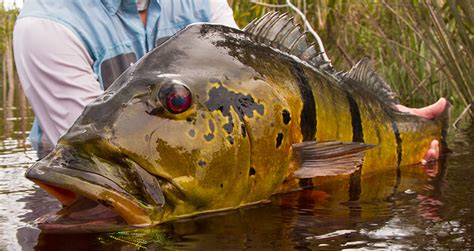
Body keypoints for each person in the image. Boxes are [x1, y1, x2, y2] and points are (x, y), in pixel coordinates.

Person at [13, 0, 446, 162]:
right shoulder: (47, 26)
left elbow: (255, 79)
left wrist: (389, 121)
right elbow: (95, 160)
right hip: (98, 194)